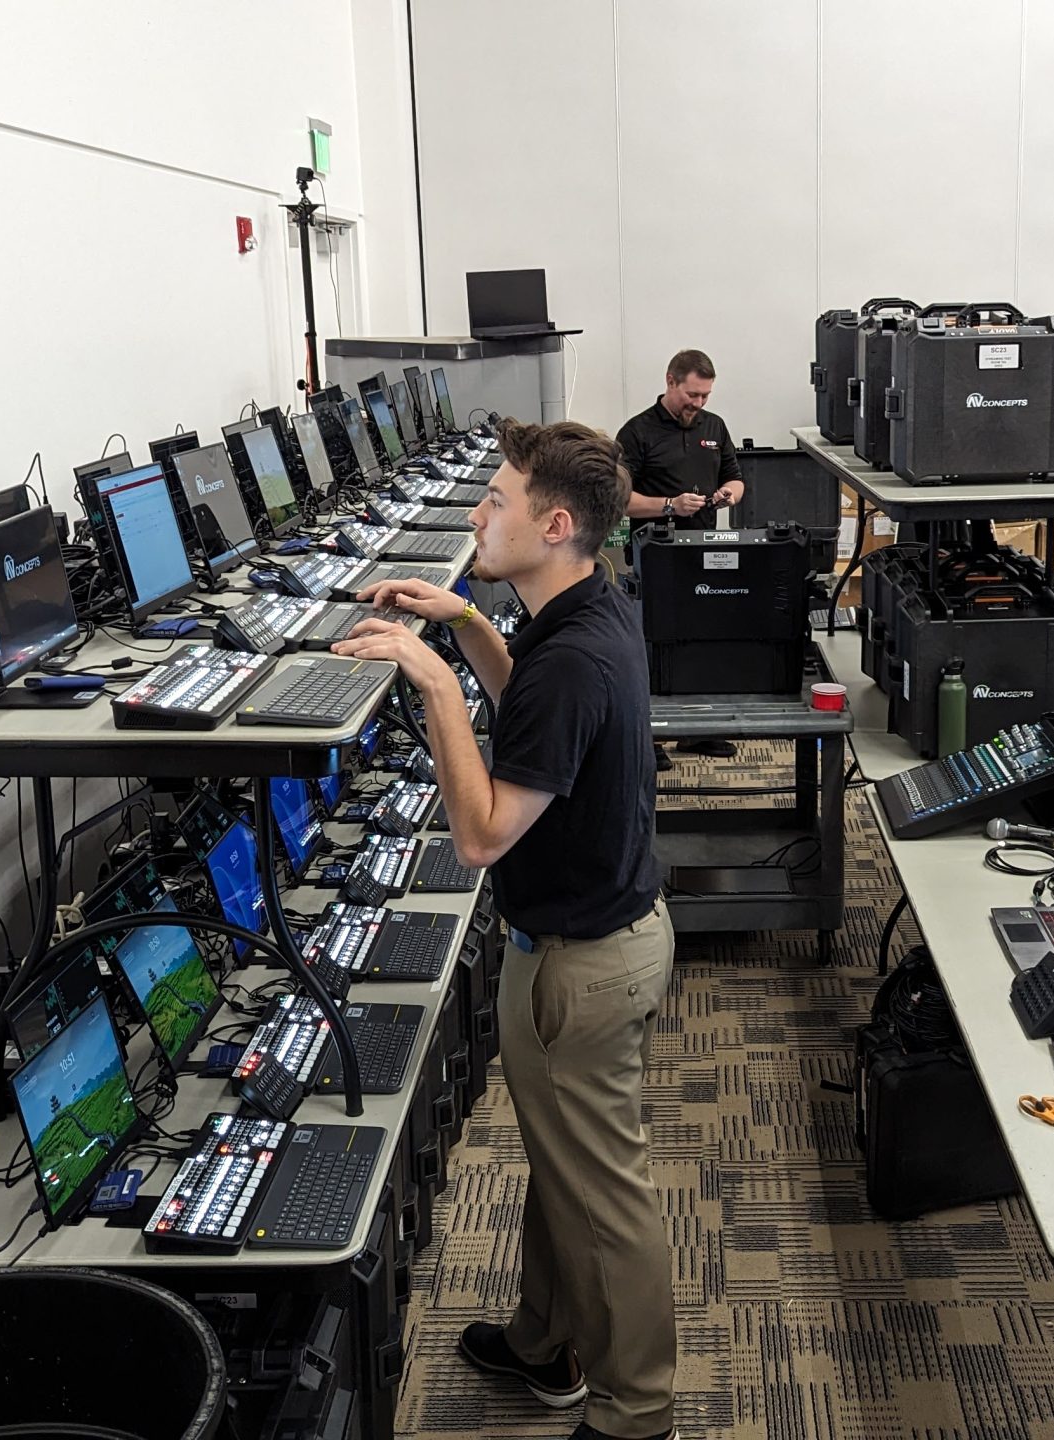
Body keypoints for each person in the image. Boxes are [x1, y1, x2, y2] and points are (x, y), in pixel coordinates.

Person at [332, 420, 678, 1440]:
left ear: (555, 523)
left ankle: (635, 1413)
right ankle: (544, 1341)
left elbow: (481, 835)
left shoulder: (573, 657)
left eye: (495, 502)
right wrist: (462, 623)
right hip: (594, 942)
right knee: (564, 1169)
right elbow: (531, 710)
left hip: (584, 966)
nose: (477, 515)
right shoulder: (582, 612)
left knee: (603, 1201)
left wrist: (432, 680)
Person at [617, 348, 744, 764]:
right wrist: (670, 505)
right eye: (692, 394)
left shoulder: (714, 426)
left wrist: (728, 495)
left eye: (705, 395)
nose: (699, 404)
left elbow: (735, 477)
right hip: (654, 556)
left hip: (704, 552)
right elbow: (619, 499)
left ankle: (697, 732)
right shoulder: (636, 433)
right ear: (670, 382)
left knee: (699, 642)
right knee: (649, 648)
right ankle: (648, 738)